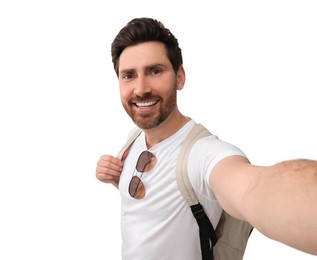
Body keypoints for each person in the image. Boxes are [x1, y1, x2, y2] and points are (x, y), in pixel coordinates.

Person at [96, 17, 317, 259]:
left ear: (179, 77)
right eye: (129, 75)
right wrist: (118, 177)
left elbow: (255, 189)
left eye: (155, 71)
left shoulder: (202, 155)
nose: (140, 88)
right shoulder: (134, 137)